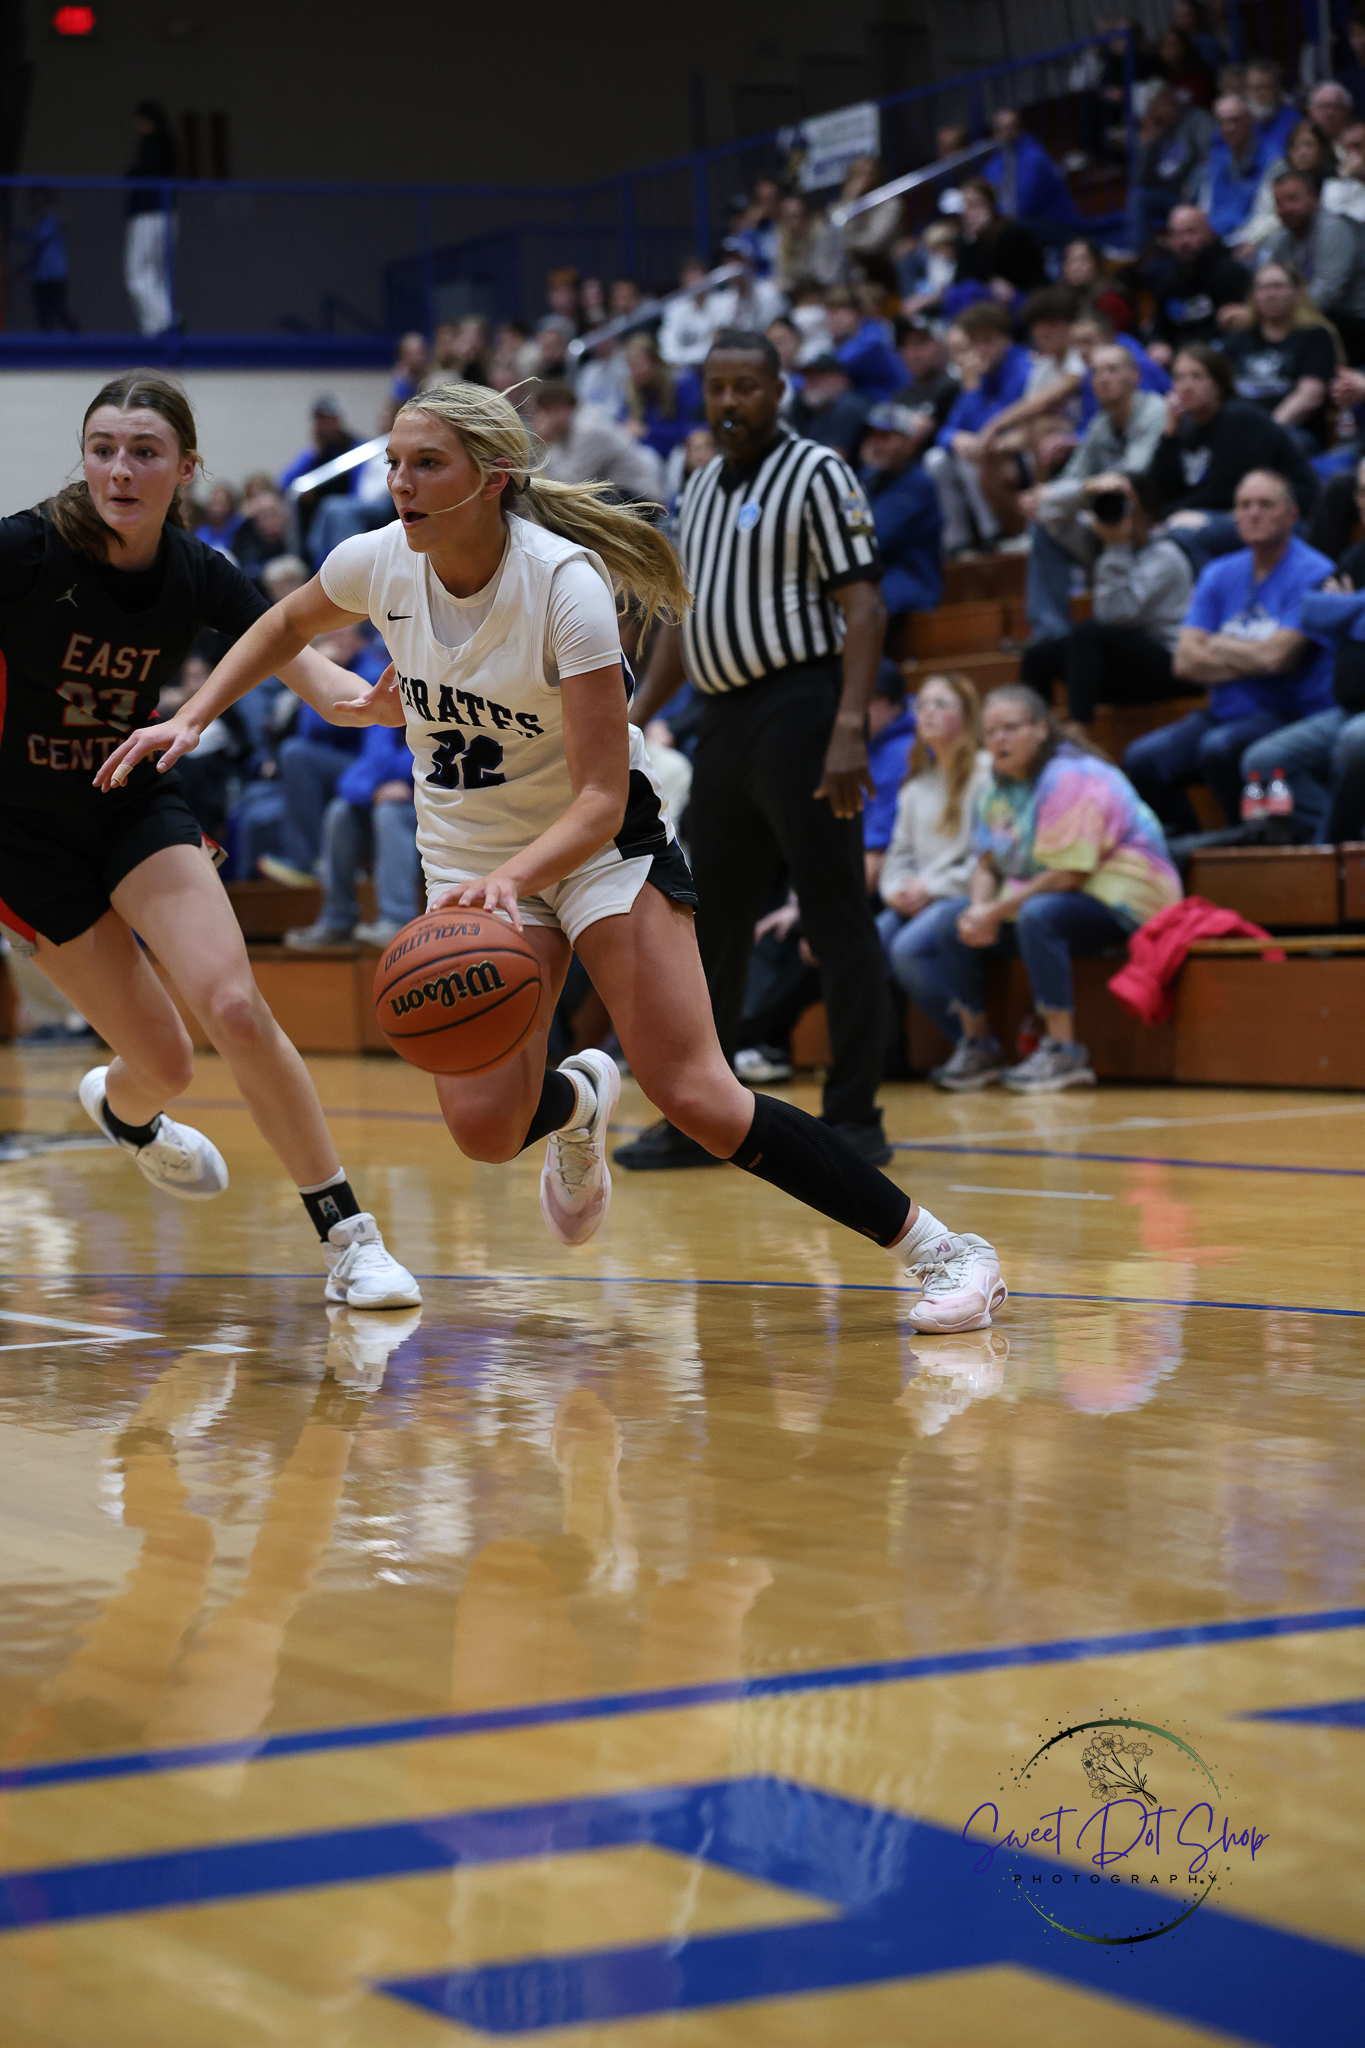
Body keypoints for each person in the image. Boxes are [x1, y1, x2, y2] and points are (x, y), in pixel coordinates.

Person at [104, 374, 1009, 1336]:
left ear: (491, 478)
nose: (400, 483)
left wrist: (513, 880)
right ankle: (577, 1102)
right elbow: (286, 622)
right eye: (395, 463)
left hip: (597, 852)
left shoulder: (564, 586)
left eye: (426, 465)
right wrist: (194, 715)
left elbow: (599, 799)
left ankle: (943, 1250)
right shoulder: (379, 561)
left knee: (698, 1097)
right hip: (471, 860)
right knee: (483, 1130)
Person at [0, 370, 416, 1309]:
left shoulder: (199, 572)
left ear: (185, 469)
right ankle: (126, 1114)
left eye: (144, 452)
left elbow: (312, 674)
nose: (120, 469)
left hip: (131, 804)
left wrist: (373, 704)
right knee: (167, 1066)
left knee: (232, 1004)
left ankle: (349, 1237)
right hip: (24, 836)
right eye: (103, 449)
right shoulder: (26, 549)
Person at [622, 329, 900, 1172]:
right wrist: (628, 720)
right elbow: (681, 627)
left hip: (802, 709)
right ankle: (703, 1118)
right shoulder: (698, 488)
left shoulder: (818, 471)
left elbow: (865, 606)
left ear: (778, 392)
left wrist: (848, 726)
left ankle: (855, 1116)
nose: (729, 402)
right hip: (723, 720)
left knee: (834, 911)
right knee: (708, 921)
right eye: (716, 388)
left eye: (745, 386)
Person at [901, 686, 1181, 1093]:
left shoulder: (1070, 776)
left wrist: (995, 911)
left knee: (1040, 915)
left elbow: (1069, 875)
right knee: (952, 920)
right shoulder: (997, 787)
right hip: (1059, 897)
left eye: (1010, 728)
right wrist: (979, 909)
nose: (998, 739)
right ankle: (978, 1046)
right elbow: (986, 864)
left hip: (1127, 900)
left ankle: (1064, 1053)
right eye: (991, 731)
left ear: (1040, 729)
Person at [1123, 469, 1335, 831]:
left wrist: (1219, 644)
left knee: (1219, 748)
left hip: (1286, 713)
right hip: (1222, 712)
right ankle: (1193, 846)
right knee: (1142, 759)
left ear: (1292, 515)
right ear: (1233, 515)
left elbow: (1279, 659)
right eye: (1244, 505)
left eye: (1266, 504)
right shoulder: (1218, 573)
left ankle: (1247, 842)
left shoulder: (1313, 572)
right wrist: (1254, 654)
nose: (1254, 513)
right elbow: (1184, 662)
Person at [1021, 470, 1194, 730]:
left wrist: (1115, 547)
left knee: (1086, 634)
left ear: (1146, 510)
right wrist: (1085, 490)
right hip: (1126, 666)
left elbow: (1114, 617)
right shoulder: (1102, 541)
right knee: (1039, 654)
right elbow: (1046, 514)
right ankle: (1033, 732)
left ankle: (1079, 729)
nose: (1120, 511)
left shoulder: (1165, 556)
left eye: (1127, 502)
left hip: (1170, 665)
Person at [1023, 340, 1169, 640]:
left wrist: (1071, 491)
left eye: (1112, 370)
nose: (1103, 378)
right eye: (1097, 372)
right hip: (1108, 520)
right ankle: (1050, 634)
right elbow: (1073, 477)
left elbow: (1129, 477)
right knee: (1044, 521)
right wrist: (1042, 493)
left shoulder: (1155, 410)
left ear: (1135, 376)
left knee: (1055, 504)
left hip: (1152, 523)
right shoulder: (1100, 425)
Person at [877, 672, 992, 1012]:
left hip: (962, 893)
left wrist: (932, 888)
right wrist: (896, 890)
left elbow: (990, 857)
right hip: (920, 895)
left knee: (908, 949)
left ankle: (971, 1035)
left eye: (941, 704)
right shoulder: (915, 786)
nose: (928, 712)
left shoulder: (986, 774)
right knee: (869, 944)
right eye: (922, 704)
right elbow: (898, 853)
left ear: (967, 715)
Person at [1146, 343, 1319, 541]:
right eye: (1179, 377)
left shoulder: (1241, 419)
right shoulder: (1187, 427)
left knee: (1180, 534)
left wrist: (1167, 516)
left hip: (1286, 518)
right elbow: (1163, 489)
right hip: (1231, 514)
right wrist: (1170, 434)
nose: (1186, 386)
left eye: (1197, 377)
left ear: (1218, 383)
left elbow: (1223, 493)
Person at [284, 722, 420, 950]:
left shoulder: (437, 716)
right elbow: (352, 778)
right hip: (385, 806)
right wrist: (374, 791)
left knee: (389, 812)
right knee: (340, 811)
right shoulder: (381, 723)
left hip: (430, 815)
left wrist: (398, 783)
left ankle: (397, 920)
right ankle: (337, 919)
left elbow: (420, 769)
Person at [923, 301, 1032, 554]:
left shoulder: (1023, 368)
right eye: (975, 342)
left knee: (972, 457)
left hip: (1019, 452)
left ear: (1007, 338)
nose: (981, 349)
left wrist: (971, 385)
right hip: (990, 449)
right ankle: (956, 540)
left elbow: (996, 424)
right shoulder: (981, 374)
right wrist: (956, 438)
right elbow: (946, 430)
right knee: (936, 459)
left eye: (988, 340)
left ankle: (992, 532)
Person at [1218, 259, 1340, 453]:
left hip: (1293, 430)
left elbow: (1310, 396)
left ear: (1296, 292)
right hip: (1240, 429)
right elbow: (1220, 392)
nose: (1270, 294)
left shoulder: (1315, 336)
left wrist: (1266, 431)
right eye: (1263, 288)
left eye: (1278, 286)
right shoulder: (1237, 340)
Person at [1259, 170, 1365, 362]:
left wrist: (1280, 310)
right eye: (1279, 202)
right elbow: (1268, 274)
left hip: (1352, 319)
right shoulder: (1284, 236)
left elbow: (1328, 292)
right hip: (1311, 314)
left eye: (1293, 198)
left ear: (1314, 197)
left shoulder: (1334, 228)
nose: (1286, 208)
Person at [859, 402, 943, 642]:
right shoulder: (865, 479)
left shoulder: (918, 485)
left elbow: (876, 537)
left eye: (886, 437)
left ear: (908, 442)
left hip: (908, 579)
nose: (876, 444)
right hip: (872, 577)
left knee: (859, 604)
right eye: (873, 436)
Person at [1144, 205, 1250, 363]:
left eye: (1190, 232)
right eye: (1176, 234)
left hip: (1222, 359)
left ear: (1209, 232)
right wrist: (1157, 344)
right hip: (1180, 361)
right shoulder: (1167, 280)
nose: (1184, 241)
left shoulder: (1231, 272)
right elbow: (1159, 329)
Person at [524, 382, 664, 500]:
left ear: (559, 409)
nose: (538, 421)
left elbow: (569, 485)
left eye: (542, 413)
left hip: (639, 496)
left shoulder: (588, 430)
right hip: (617, 493)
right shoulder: (566, 430)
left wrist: (545, 445)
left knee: (572, 508)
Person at [945, 180, 1046, 314]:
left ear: (990, 205)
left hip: (1024, 298)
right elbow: (960, 278)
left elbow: (994, 272)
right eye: (965, 206)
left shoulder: (1012, 233)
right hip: (988, 302)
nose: (968, 212)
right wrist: (972, 240)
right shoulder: (966, 239)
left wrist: (976, 239)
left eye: (974, 205)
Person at [983, 107, 1079, 242]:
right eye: (999, 129)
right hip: (1019, 223)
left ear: (1019, 129)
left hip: (1053, 223)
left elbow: (1024, 204)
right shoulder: (994, 164)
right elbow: (988, 196)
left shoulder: (1034, 157)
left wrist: (996, 220)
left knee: (1008, 230)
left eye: (1010, 127)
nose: (1006, 134)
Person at [1134, 85, 1216, 243]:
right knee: (1138, 196)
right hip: (1169, 195)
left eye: (1160, 106)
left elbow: (1210, 156)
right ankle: (1138, 249)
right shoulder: (1158, 129)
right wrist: (1146, 145)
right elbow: (1139, 179)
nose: (1157, 112)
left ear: (1173, 103)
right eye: (1153, 108)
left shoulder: (1196, 119)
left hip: (1191, 193)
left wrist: (1192, 184)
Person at [279, 398, 359, 557]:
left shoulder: (356, 450)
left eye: (327, 420)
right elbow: (284, 482)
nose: (322, 426)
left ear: (337, 421)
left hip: (344, 517)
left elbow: (360, 491)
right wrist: (315, 452)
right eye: (319, 421)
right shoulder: (314, 453)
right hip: (312, 521)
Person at [123, 101, 177, 336]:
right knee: (154, 275)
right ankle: (156, 331)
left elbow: (144, 173)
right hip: (166, 214)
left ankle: (166, 324)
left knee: (137, 275)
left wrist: (131, 174)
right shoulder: (168, 143)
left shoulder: (152, 142)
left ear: (147, 120)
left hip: (149, 214)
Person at [1194, 96, 1276, 243]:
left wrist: (1248, 240)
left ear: (1249, 120)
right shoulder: (1216, 160)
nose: (1229, 128)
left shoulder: (1272, 160)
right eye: (1222, 122)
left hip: (1249, 241)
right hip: (1215, 241)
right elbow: (1205, 208)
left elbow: (1268, 215)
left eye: (1235, 120)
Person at [825, 286, 906, 401]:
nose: (834, 319)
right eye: (830, 314)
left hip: (897, 399)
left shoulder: (874, 332)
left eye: (838, 312)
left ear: (856, 312)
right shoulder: (843, 342)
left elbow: (839, 364)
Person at [785, 354, 869, 461]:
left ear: (840, 379)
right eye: (808, 376)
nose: (811, 382)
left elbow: (833, 457)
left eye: (818, 376)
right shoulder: (807, 408)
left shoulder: (849, 407)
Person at [658, 257, 721, 367]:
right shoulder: (674, 308)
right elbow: (668, 350)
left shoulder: (722, 302)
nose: (696, 283)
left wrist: (687, 356)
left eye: (699, 277)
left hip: (715, 363)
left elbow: (718, 346)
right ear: (683, 281)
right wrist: (688, 359)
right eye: (691, 279)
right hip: (684, 367)